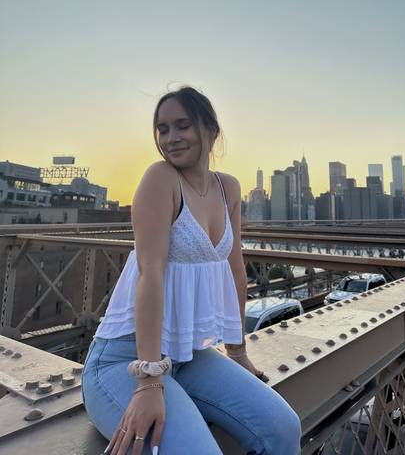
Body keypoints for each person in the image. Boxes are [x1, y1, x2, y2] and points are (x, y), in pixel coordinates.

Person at [81, 85, 302, 455]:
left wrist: (238, 350)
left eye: (182, 125)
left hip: (189, 355)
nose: (170, 138)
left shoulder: (227, 187)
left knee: (283, 428)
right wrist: (150, 381)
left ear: (210, 130)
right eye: (162, 129)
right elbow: (151, 272)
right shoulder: (160, 179)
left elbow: (235, 268)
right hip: (126, 360)